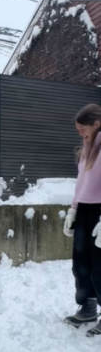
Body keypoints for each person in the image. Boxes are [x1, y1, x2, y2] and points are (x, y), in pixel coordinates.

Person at [62, 103, 101, 337]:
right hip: (85, 212)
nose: (79, 132)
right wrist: (73, 210)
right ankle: (88, 308)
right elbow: (81, 184)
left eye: (82, 128)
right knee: (81, 263)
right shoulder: (87, 149)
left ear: (97, 124)